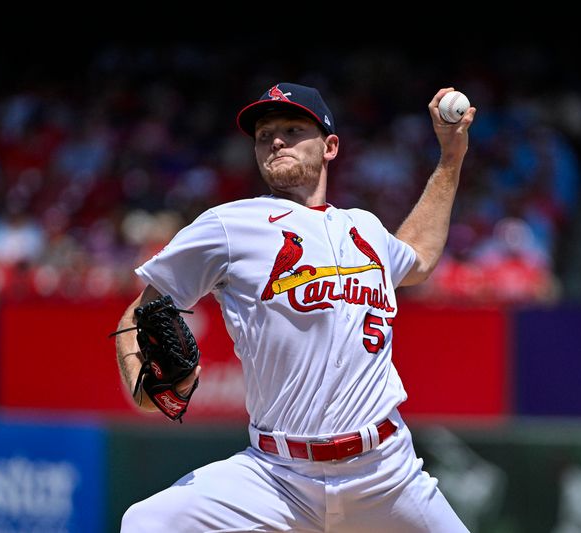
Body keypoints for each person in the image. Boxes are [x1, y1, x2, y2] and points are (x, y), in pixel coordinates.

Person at [115, 82, 476, 532]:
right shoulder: (230, 224)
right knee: (148, 523)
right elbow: (141, 308)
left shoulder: (362, 227)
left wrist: (450, 157)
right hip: (276, 476)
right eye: (264, 135)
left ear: (330, 146)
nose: (276, 141)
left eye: (291, 128)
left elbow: (417, 258)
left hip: (385, 473)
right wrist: (140, 388)